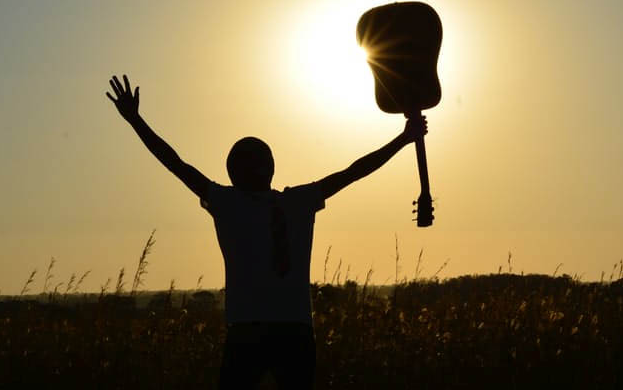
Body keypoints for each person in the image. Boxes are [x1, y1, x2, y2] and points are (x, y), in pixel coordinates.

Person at [106, 74, 427, 389]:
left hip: (248, 330)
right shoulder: (298, 202)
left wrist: (136, 121)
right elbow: (354, 172)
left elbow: (175, 163)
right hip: (295, 330)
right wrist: (403, 139)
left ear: (232, 172)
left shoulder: (227, 203)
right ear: (271, 167)